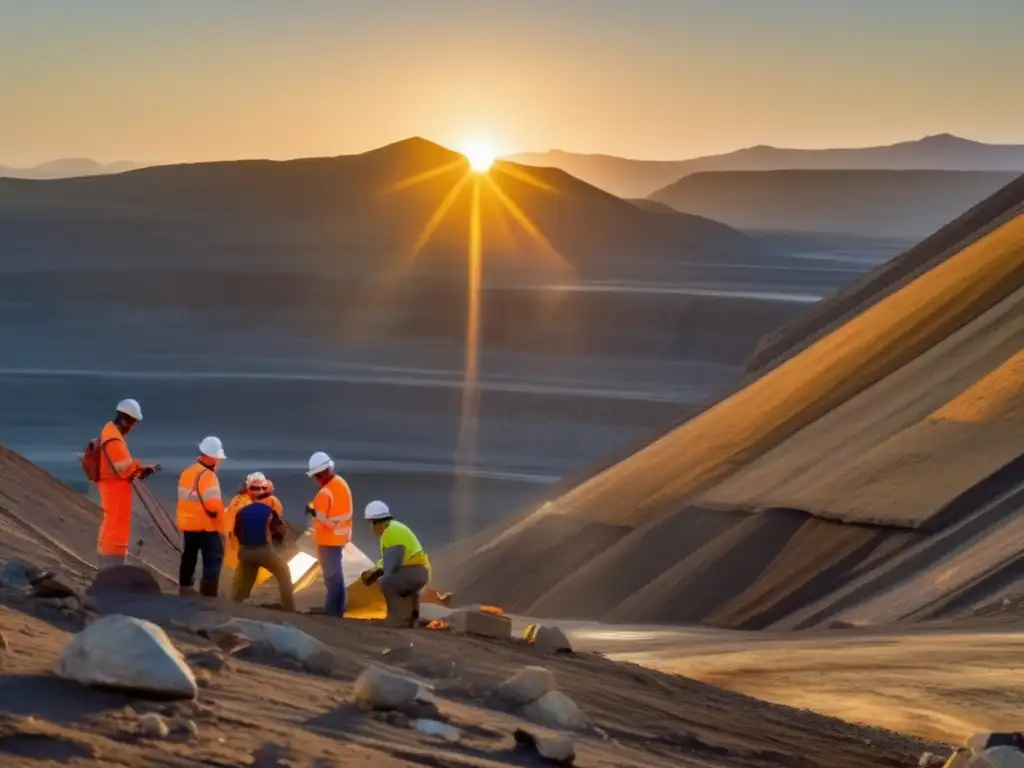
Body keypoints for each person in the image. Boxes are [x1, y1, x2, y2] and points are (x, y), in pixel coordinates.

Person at [95, 399, 157, 569]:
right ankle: (110, 565)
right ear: (124, 419)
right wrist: (138, 467)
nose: (133, 427)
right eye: (133, 423)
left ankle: (109, 564)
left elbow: (121, 468)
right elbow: (123, 467)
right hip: (115, 493)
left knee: (112, 524)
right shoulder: (114, 440)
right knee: (115, 525)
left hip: (115, 490)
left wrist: (140, 470)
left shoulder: (111, 434)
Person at [360, 500, 430, 628]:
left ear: (377, 522)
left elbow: (391, 565)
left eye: (371, 523)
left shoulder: (390, 533)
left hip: (414, 571)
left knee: (387, 582)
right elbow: (387, 560)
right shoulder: (393, 528)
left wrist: (375, 574)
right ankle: (412, 618)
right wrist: (376, 570)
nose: (371, 527)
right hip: (418, 571)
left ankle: (396, 619)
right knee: (401, 584)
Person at [176, 436, 227, 597]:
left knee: (188, 557)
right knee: (213, 560)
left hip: (188, 526)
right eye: (218, 459)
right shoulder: (208, 476)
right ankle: (208, 597)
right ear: (212, 457)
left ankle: (184, 590)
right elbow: (214, 507)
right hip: (206, 527)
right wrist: (222, 529)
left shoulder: (187, 472)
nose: (219, 462)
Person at [304, 451, 352, 617]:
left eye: (316, 475)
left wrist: (313, 512)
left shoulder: (324, 493)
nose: (315, 479)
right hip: (341, 538)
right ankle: (338, 610)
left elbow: (328, 523)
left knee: (332, 578)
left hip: (328, 541)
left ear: (320, 474)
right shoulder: (341, 483)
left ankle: (333, 614)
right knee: (337, 577)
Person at [229, 491, 295, 611]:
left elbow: (236, 532)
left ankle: (233, 605)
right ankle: (289, 608)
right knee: (283, 572)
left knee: (245, 580)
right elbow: (281, 531)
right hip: (263, 550)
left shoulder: (241, 512)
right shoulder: (269, 511)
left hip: (244, 551)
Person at [224, 472, 284, 573]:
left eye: (263, 489)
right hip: (244, 550)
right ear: (248, 488)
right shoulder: (246, 506)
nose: (260, 491)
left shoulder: (239, 500)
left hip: (234, 551)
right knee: (282, 571)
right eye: (256, 488)